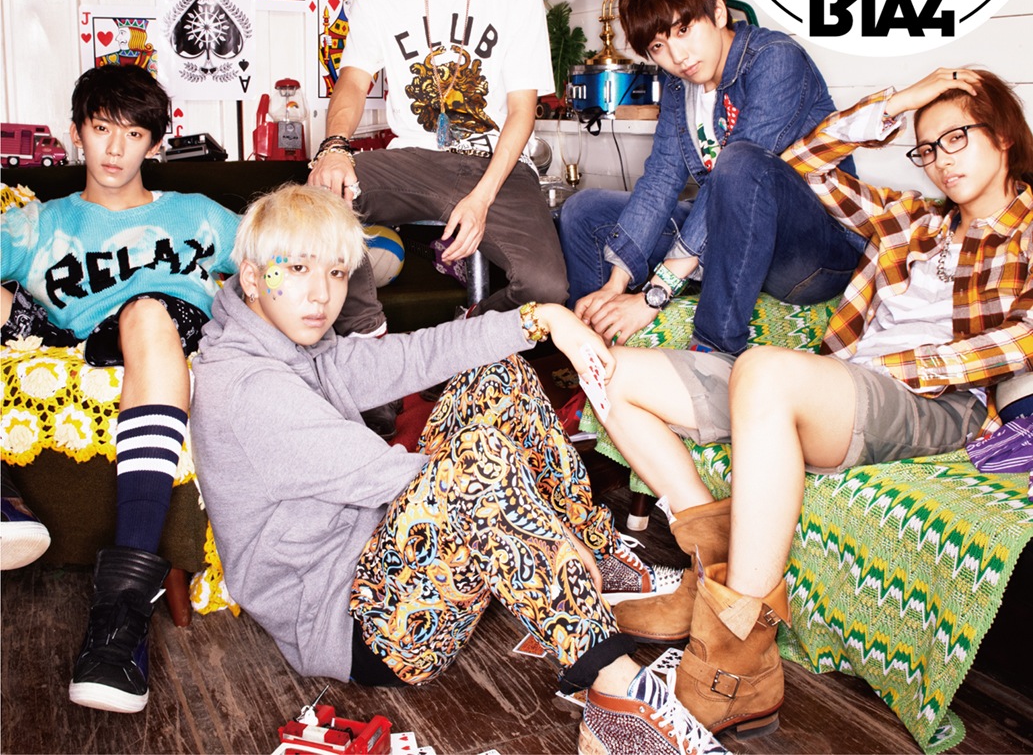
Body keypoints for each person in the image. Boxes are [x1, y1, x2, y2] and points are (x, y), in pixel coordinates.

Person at [189, 184, 728, 755]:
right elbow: (393, 475)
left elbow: (420, 353)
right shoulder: (248, 389)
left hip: (380, 555)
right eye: (297, 269)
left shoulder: (296, 348)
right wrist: (548, 532)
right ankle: (612, 690)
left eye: (336, 273)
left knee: (497, 378)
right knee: (476, 463)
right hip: (361, 627)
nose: (321, 294)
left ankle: (599, 569)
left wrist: (543, 319)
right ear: (252, 278)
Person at [596, 67, 1033, 739]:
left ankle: (738, 663)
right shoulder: (913, 221)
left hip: (935, 400)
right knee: (610, 372)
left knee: (765, 371)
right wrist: (901, 103)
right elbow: (800, 164)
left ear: (1002, 135)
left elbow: (1023, 337)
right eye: (927, 147)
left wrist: (895, 368)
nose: (941, 161)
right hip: (836, 385)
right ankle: (716, 573)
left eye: (957, 138)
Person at [0, 65, 239, 714]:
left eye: (133, 134)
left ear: (153, 144)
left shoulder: (196, 214)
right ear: (76, 132)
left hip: (163, 336)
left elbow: (282, 250)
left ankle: (121, 610)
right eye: (102, 128)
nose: (114, 148)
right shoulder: (38, 223)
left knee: (147, 313)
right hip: (68, 340)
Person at [306, 0, 567, 332]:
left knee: (547, 289)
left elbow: (522, 110)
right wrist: (335, 147)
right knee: (323, 192)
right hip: (417, 162)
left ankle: (464, 333)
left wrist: (482, 198)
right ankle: (368, 336)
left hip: (499, 166)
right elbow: (353, 83)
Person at [560, 0, 866, 356]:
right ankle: (591, 350)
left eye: (684, 30)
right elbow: (661, 180)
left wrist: (654, 294)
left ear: (718, 12)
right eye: (659, 46)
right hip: (730, 234)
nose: (678, 57)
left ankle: (713, 349)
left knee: (738, 162)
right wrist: (616, 285)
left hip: (814, 254)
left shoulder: (775, 59)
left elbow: (739, 178)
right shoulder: (678, 87)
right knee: (584, 211)